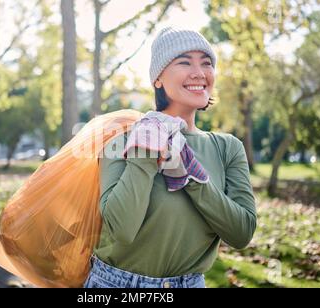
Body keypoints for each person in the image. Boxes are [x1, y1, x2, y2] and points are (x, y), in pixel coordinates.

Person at [83, 27, 257, 288]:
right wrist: (143, 154)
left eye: (206, 63)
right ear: (158, 79)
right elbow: (123, 230)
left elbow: (241, 233)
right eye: (184, 62)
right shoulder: (120, 142)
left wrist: (191, 174)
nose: (199, 72)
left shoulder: (228, 148)